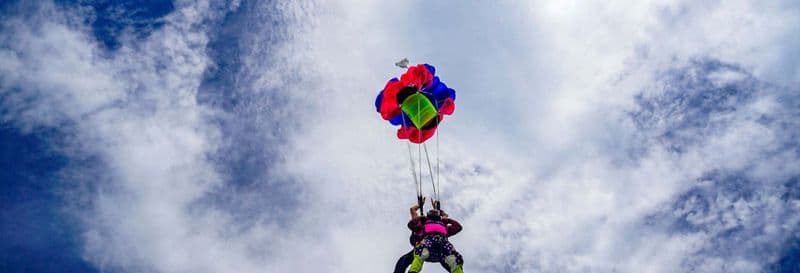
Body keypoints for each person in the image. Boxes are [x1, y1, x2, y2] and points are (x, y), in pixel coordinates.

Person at [393, 198, 452, 273]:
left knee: (403, 260)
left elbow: (412, 210)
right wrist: (436, 209)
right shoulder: (421, 224)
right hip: (431, 251)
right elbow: (412, 210)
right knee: (403, 261)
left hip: (431, 251)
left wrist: (422, 206)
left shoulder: (438, 223)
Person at [407, 199, 464, 273]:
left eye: (435, 212)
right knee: (421, 250)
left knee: (455, 258)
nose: (433, 213)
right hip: (428, 246)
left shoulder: (444, 226)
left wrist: (447, 219)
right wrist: (419, 207)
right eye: (431, 212)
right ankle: (413, 271)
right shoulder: (422, 224)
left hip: (443, 246)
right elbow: (412, 218)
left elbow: (458, 227)